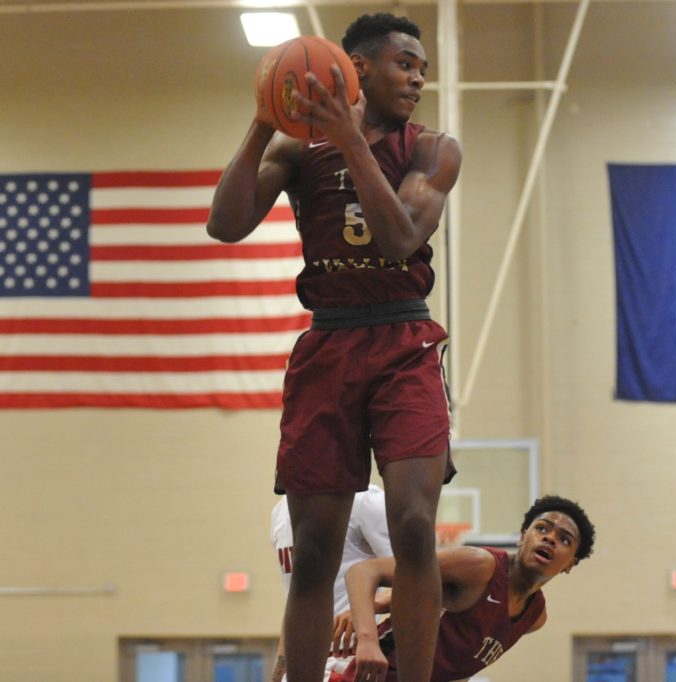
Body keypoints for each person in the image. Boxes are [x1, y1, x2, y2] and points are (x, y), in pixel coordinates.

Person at [207, 12, 462, 682]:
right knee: (315, 552)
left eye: (423, 69)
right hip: (330, 342)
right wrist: (265, 118)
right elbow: (224, 224)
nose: (418, 79)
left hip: (405, 338)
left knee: (413, 524)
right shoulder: (298, 151)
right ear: (357, 69)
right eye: (405, 64)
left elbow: (400, 238)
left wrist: (351, 142)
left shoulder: (434, 149)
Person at [331, 495, 597, 682]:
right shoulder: (478, 565)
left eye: (564, 539)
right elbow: (364, 571)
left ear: (570, 564)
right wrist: (367, 637)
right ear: (522, 537)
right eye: (542, 529)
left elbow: (457, 664)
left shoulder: (535, 617)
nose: (549, 538)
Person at [271, 484, 392, 682]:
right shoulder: (280, 512)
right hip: (300, 664)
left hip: (349, 660)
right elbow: (295, 600)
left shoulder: (365, 500)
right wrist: (278, 672)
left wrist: (369, 606)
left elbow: (418, 578)